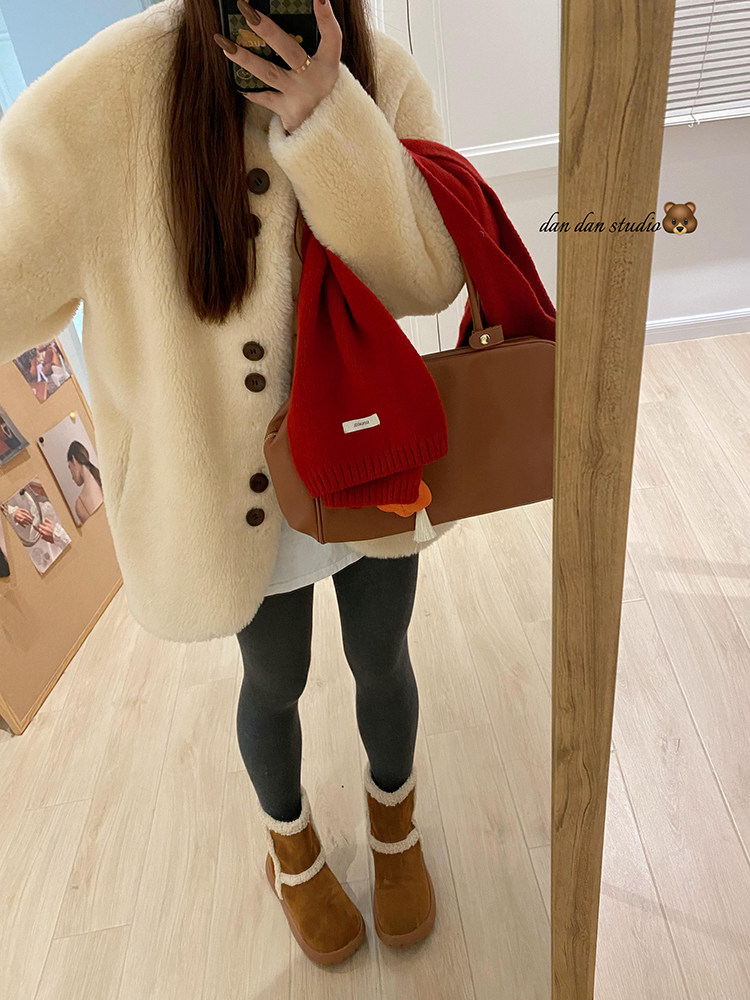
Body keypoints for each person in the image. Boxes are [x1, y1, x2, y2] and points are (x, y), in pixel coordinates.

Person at [0, 0, 464, 967]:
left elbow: (431, 276)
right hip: (233, 491)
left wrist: (329, 120)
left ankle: (395, 824)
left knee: (383, 656)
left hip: (370, 456)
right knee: (274, 677)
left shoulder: (382, 72)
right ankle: (292, 851)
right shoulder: (108, 93)